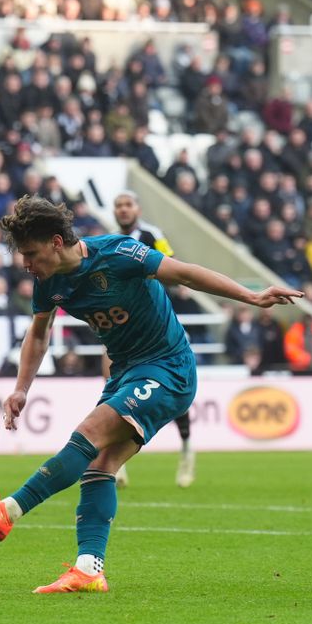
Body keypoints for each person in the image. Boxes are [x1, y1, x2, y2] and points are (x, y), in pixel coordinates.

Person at [0, 196, 301, 594]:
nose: (26, 264)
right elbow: (39, 332)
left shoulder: (119, 253)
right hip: (126, 372)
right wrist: (21, 388)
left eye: (31, 254)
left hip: (168, 367)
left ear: (56, 241)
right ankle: (89, 570)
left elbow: (185, 273)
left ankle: (8, 511)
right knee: (99, 467)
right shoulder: (49, 282)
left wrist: (252, 296)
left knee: (89, 432)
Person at [110, 191, 197, 488]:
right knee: (118, 386)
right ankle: (116, 462)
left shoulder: (151, 235)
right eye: (119, 206)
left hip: (159, 323)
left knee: (175, 390)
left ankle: (186, 449)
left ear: (138, 208)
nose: (123, 210)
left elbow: (170, 266)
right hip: (125, 327)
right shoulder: (111, 242)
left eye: (128, 205)